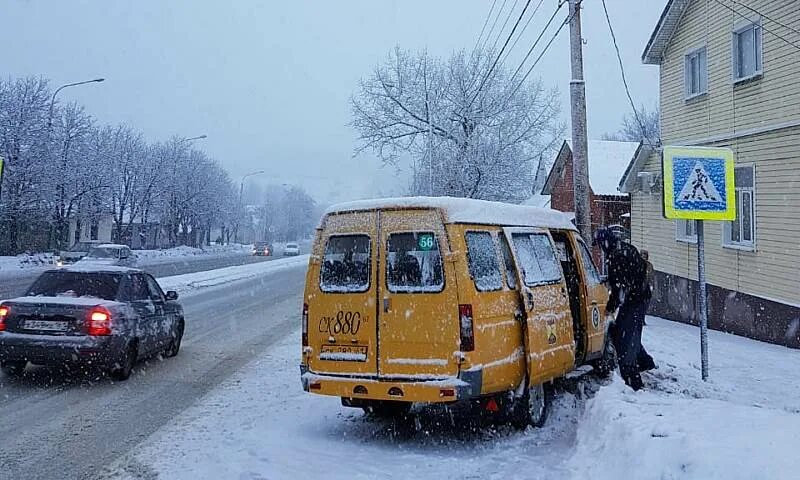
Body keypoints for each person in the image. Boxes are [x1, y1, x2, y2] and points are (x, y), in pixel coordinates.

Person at [593, 227, 653, 390]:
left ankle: (633, 380)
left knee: (625, 337)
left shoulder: (617, 257)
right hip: (639, 296)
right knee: (625, 331)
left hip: (635, 299)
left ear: (605, 243)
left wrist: (610, 308)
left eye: (599, 245)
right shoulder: (625, 248)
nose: (600, 248)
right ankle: (645, 362)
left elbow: (619, 288)